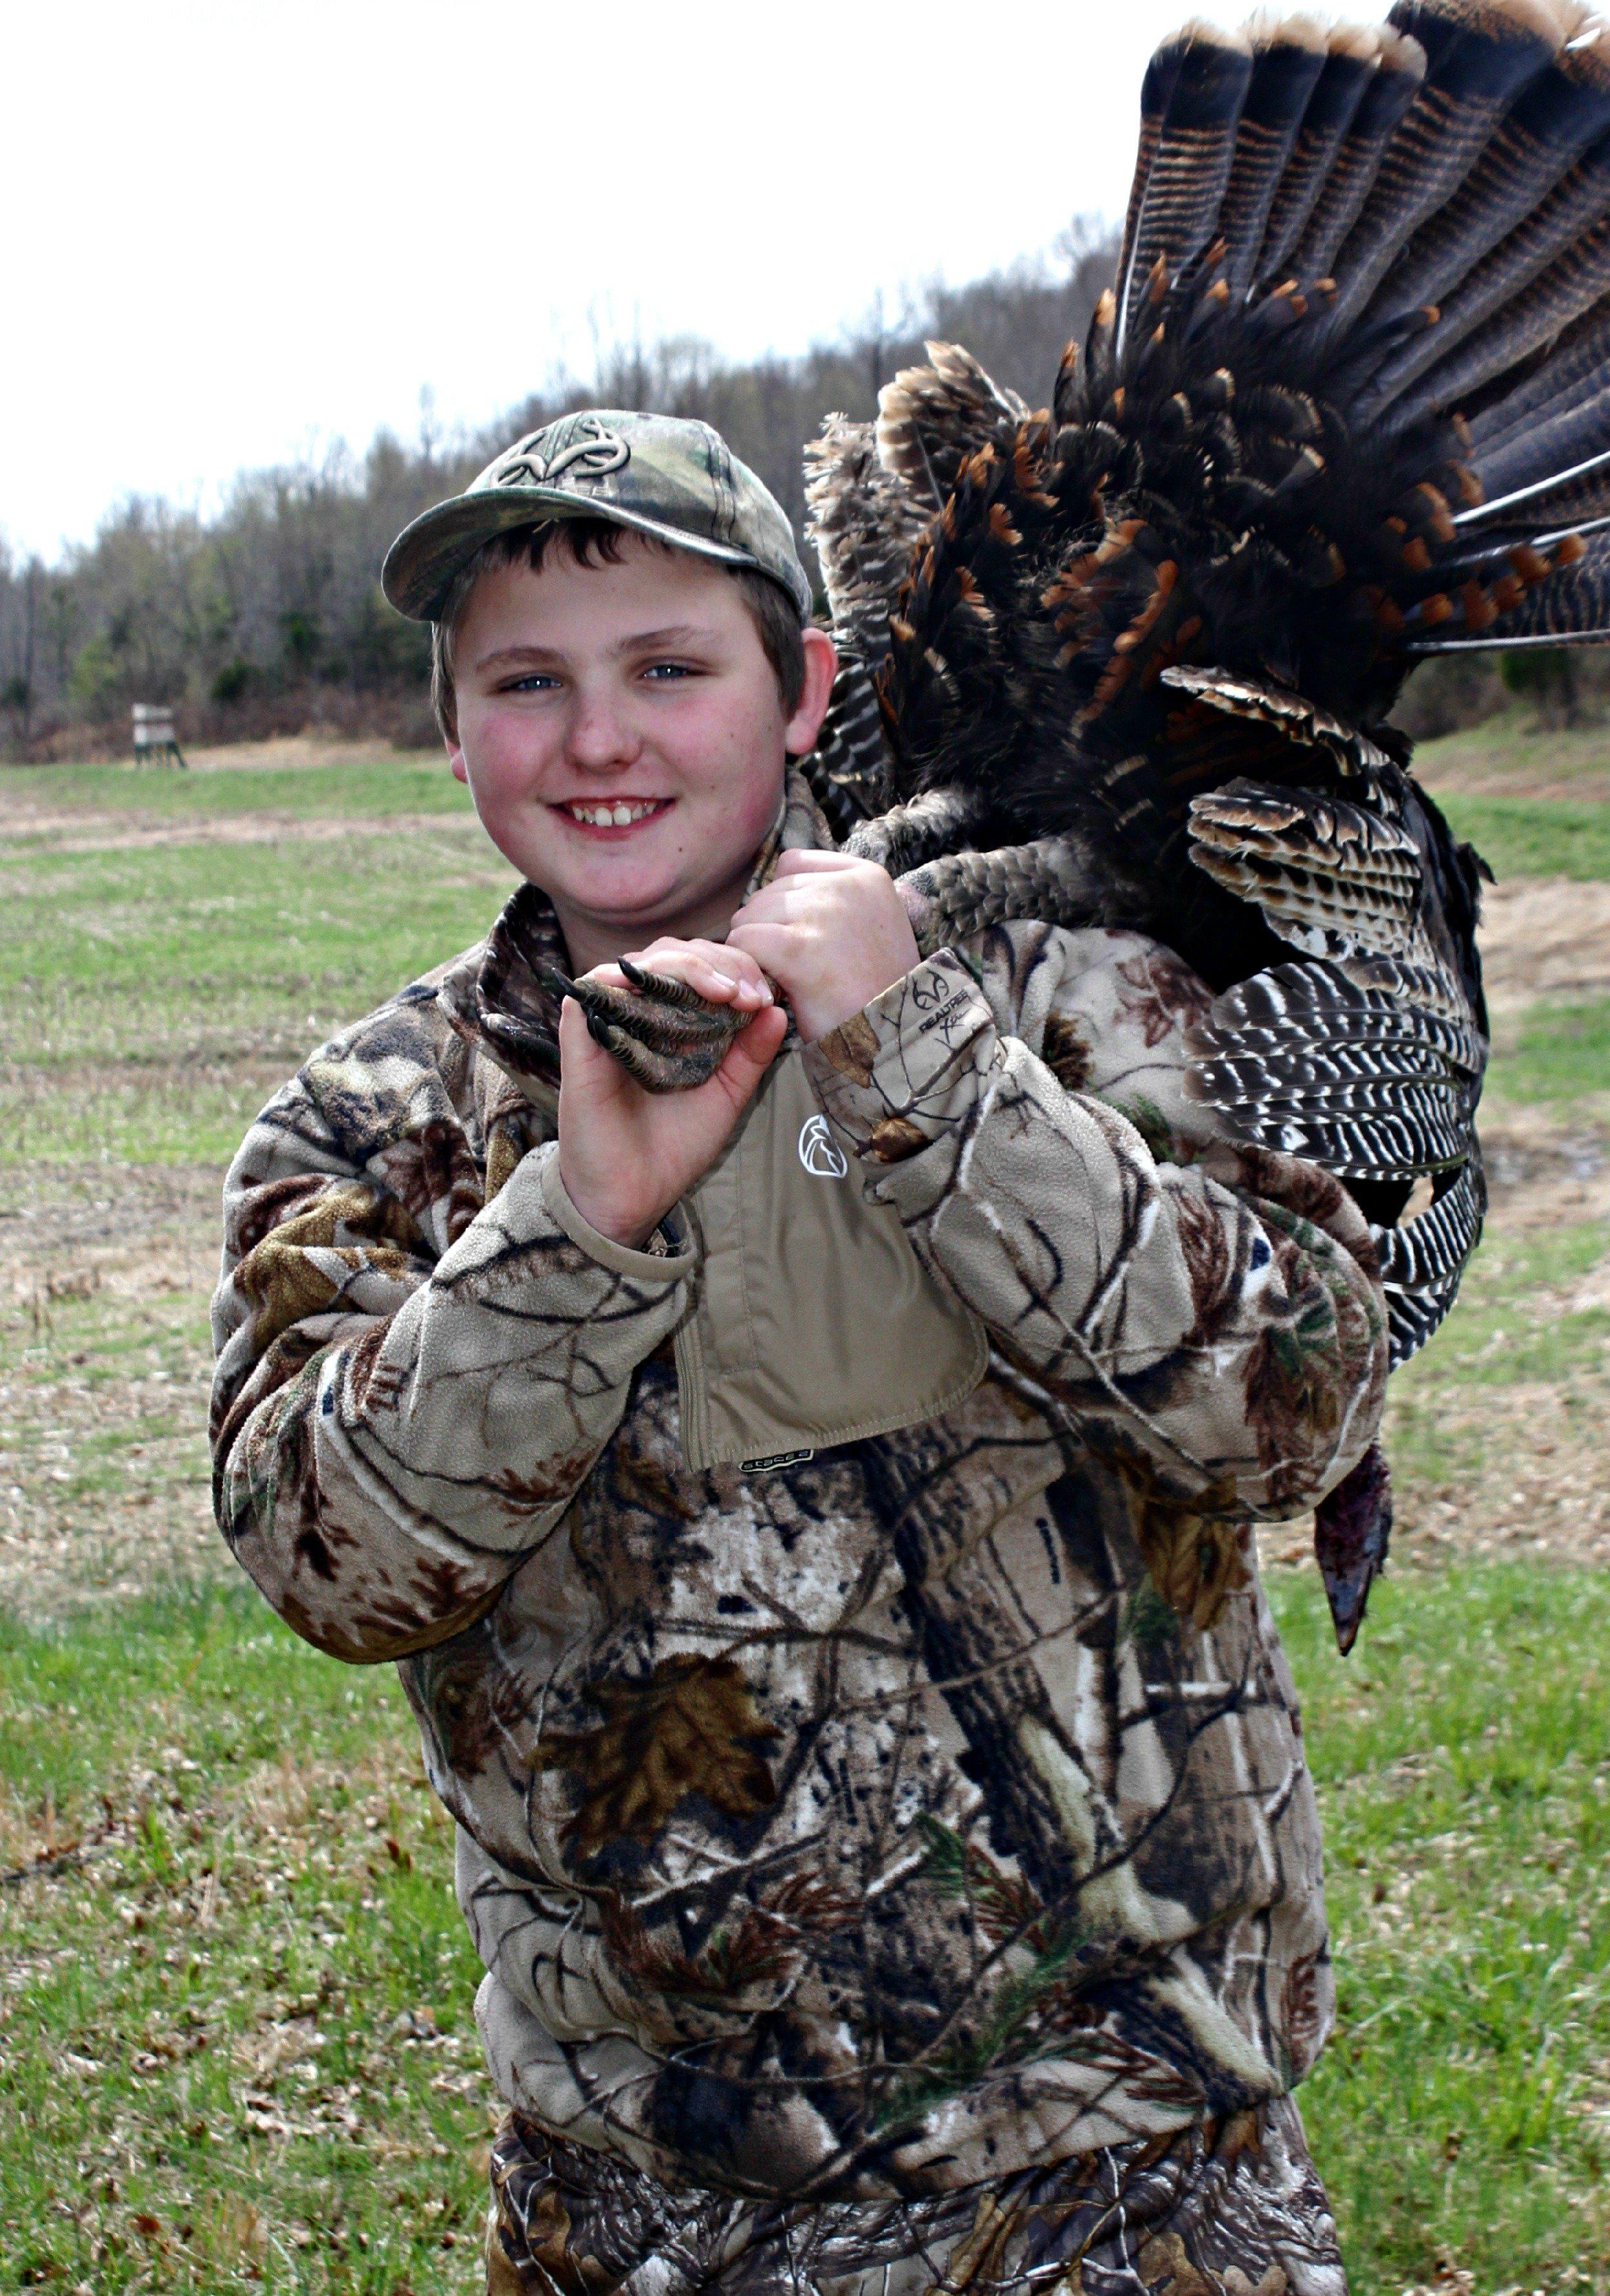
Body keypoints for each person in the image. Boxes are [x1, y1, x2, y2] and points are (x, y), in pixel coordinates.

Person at [209, 410, 1388, 2296]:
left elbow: (1292, 1409)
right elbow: (328, 1559)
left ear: (801, 692)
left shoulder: (1068, 987)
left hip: (1137, 2161)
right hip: (651, 2195)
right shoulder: (377, 1122)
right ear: (453, 732)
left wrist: (919, 1062)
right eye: (528, 682)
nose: (600, 738)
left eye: (671, 667)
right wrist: (576, 1228)